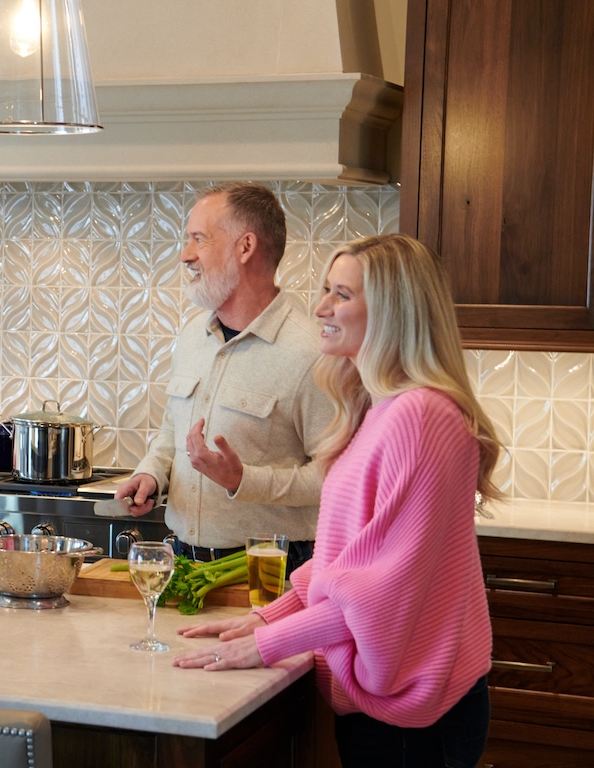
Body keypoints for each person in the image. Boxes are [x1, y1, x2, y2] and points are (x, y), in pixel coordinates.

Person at [172, 234, 500, 767]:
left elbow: (385, 590)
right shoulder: (380, 410)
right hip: (384, 699)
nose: (321, 307)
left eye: (341, 295)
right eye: (326, 289)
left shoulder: (422, 418)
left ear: (394, 312)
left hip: (418, 713)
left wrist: (266, 644)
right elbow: (344, 562)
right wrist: (268, 619)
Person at [115, 182, 332, 574]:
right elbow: (172, 430)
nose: (186, 255)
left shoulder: (312, 354)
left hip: (270, 570)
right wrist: (151, 473)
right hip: (183, 561)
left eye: (199, 239)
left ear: (245, 247)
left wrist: (242, 480)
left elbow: (335, 477)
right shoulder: (192, 338)